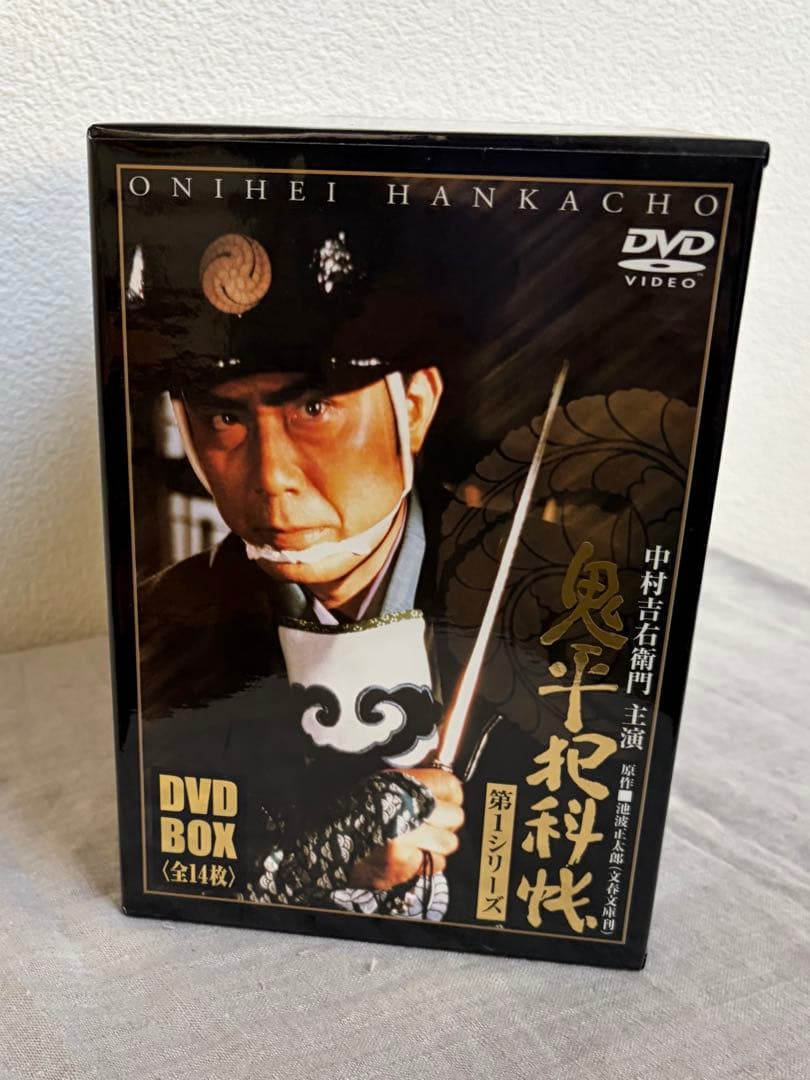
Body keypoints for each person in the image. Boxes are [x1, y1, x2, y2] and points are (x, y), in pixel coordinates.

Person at [135, 223, 479, 920]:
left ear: (413, 408)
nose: (271, 479)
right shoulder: (158, 629)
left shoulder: (543, 602)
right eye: (224, 419)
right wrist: (311, 860)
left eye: (314, 409)